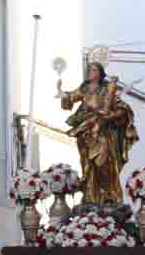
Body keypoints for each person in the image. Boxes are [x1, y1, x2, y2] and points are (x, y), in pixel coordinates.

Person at [58, 62, 139, 204]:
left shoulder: (107, 89)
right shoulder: (84, 88)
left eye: (94, 70)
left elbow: (121, 108)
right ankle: (91, 196)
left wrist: (111, 116)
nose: (90, 72)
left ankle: (108, 195)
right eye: (89, 69)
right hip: (84, 130)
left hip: (101, 131)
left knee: (103, 161)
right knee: (87, 164)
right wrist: (62, 93)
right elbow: (70, 98)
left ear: (100, 73)